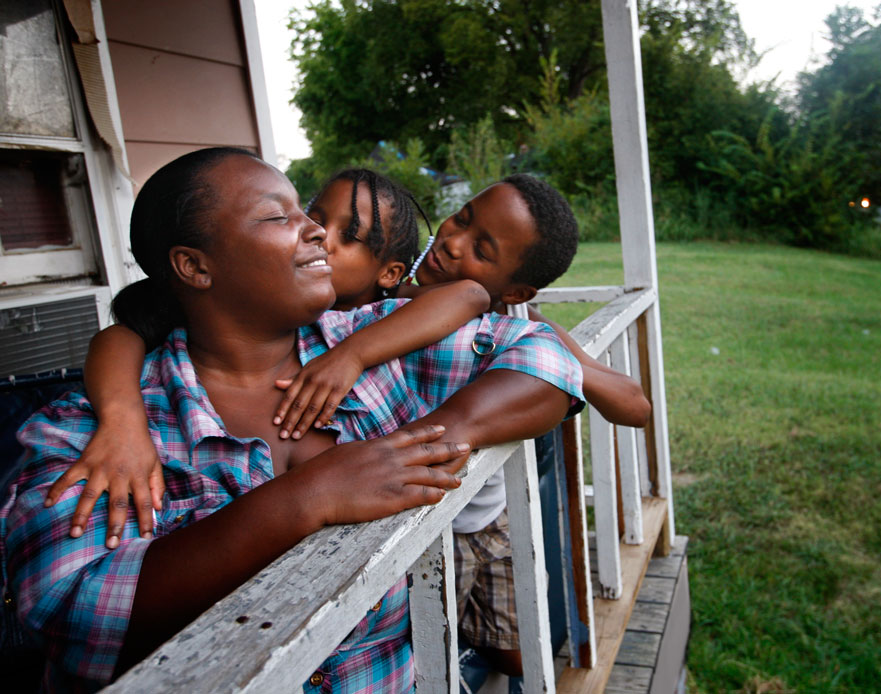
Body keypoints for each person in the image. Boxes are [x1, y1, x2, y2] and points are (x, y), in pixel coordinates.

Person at [0, 148, 584, 692]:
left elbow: (546, 360)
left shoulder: (376, 346)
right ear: (195, 267)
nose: (313, 230)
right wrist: (308, 498)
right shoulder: (93, 431)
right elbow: (72, 614)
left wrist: (426, 442)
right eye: (278, 217)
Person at [406, 175, 651, 675]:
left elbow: (635, 405)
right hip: (431, 534)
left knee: (521, 659)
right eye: (463, 217)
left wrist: (546, 360)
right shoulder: (390, 304)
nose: (449, 241)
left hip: (494, 520)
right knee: (427, 663)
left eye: (481, 248)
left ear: (516, 290)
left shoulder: (522, 325)